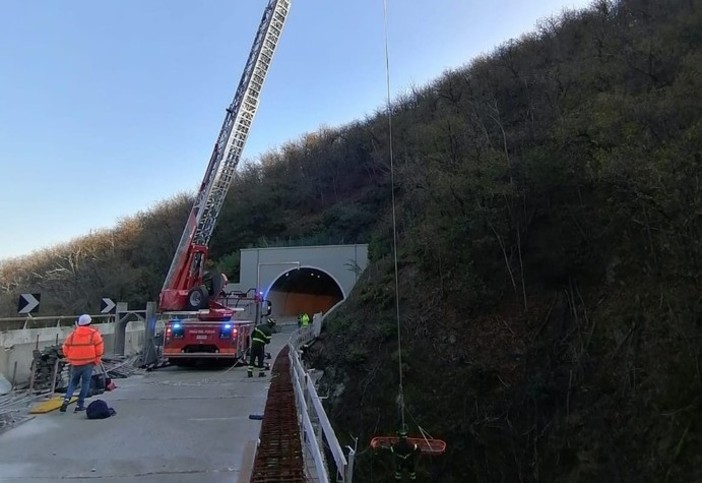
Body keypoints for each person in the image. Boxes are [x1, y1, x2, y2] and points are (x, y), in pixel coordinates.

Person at [60, 314, 105, 413]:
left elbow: (65, 347)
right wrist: (97, 360)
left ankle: (67, 399)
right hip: (88, 363)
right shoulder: (94, 334)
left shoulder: (73, 334)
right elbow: (99, 349)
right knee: (85, 383)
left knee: (73, 382)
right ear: (90, 323)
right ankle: (79, 405)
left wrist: (69, 357)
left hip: (75, 363)